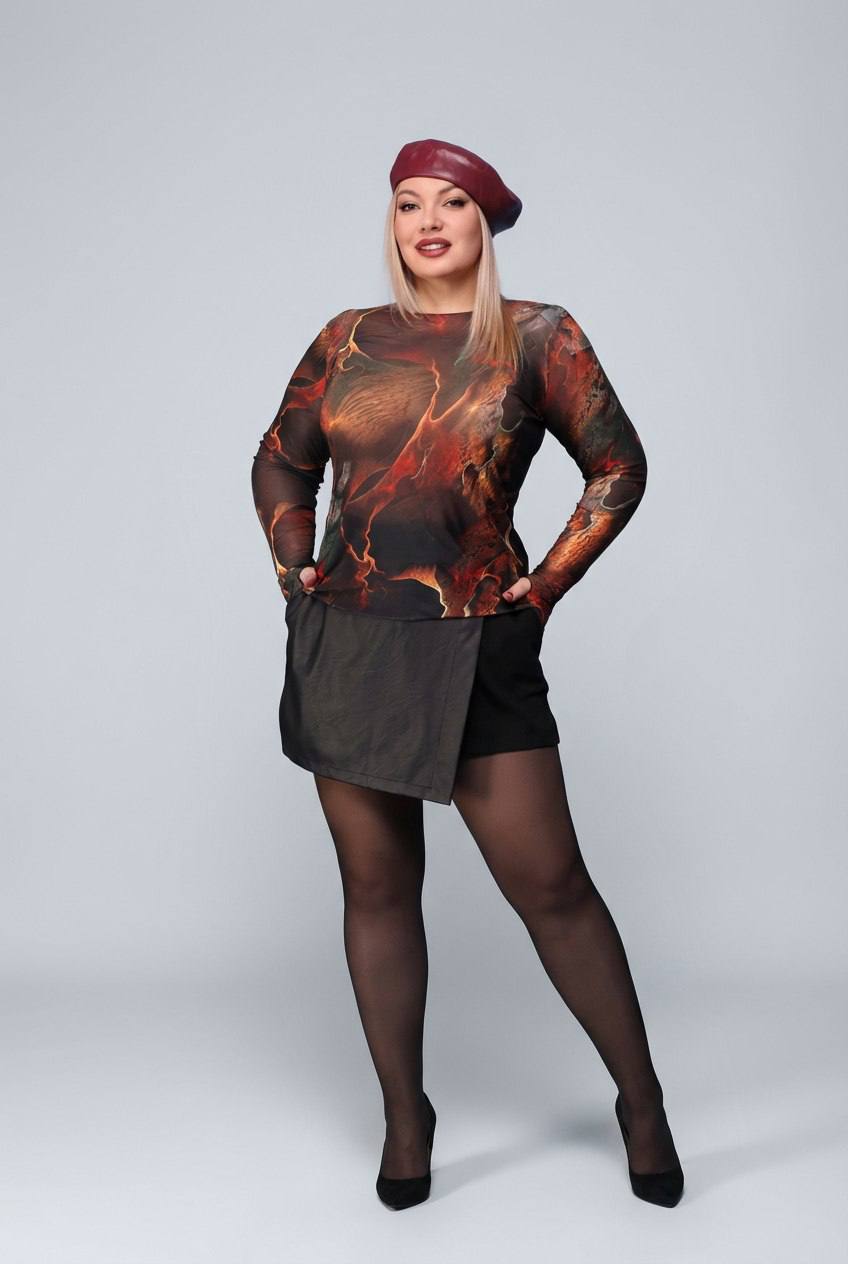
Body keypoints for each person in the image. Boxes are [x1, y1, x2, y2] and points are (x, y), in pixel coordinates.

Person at [250, 137, 684, 1211]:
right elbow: (281, 457)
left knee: (551, 887)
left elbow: (617, 466)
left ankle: (640, 1102)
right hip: (352, 640)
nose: (428, 222)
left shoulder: (536, 335)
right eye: (409, 204)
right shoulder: (347, 338)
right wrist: (292, 557)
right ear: (392, 223)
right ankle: (406, 1116)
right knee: (375, 885)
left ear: (483, 227)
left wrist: (547, 583)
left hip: (477, 638)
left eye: (451, 204)